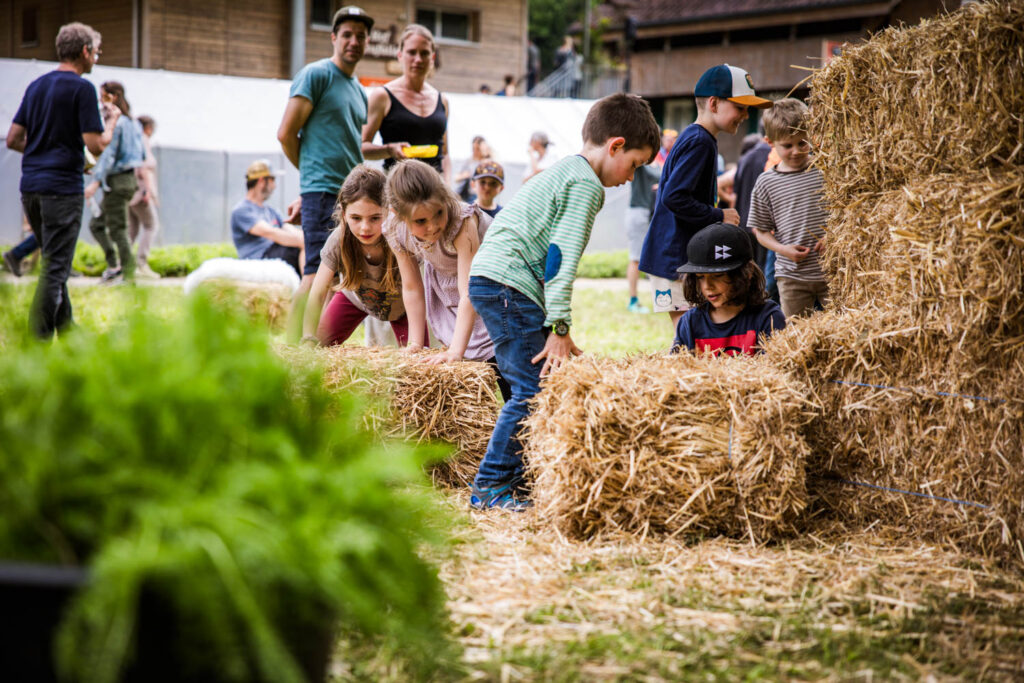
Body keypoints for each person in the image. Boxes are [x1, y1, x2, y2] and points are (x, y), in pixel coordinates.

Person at [467, 93, 660, 510]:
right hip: (508, 283)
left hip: (498, 280)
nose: (631, 178)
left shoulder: (566, 170)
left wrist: (556, 330)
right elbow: (560, 260)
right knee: (532, 389)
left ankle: (515, 480)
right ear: (616, 146)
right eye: (635, 164)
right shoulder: (586, 186)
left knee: (537, 382)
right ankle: (490, 486)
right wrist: (559, 327)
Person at [639, 64, 771, 327]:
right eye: (740, 107)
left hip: (673, 257)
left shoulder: (697, 137)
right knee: (688, 334)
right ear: (713, 103)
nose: (745, 115)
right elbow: (674, 197)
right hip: (674, 261)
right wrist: (719, 214)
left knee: (692, 331)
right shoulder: (699, 142)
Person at [6, 22, 111, 338]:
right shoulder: (82, 88)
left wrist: (43, 151)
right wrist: (112, 123)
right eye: (96, 51)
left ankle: (68, 331)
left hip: (32, 189)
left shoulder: (36, 85)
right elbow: (94, 143)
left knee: (54, 263)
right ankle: (35, 347)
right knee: (54, 269)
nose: (97, 56)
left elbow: (13, 139)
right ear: (84, 51)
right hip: (62, 191)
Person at [382, 160, 510, 394]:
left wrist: (456, 353)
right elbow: (412, 288)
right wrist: (416, 343)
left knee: (506, 366)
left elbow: (470, 291)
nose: (432, 226)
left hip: (499, 285)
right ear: (397, 215)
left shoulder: (462, 220)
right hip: (455, 289)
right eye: (420, 221)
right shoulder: (395, 230)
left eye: (438, 213)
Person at [277, 6, 373, 302]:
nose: (354, 41)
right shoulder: (316, 75)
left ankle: (318, 343)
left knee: (338, 272)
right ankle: (292, 346)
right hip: (322, 192)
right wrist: (310, 180)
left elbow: (349, 145)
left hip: (348, 197)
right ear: (333, 38)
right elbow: (286, 134)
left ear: (367, 42)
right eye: (347, 35)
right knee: (316, 272)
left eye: (360, 36)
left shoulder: (359, 90)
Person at [302, 165, 416, 346]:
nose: (365, 227)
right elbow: (317, 293)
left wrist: (416, 344)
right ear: (344, 213)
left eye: (375, 218)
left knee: (416, 361)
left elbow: (413, 289)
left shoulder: (398, 235)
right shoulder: (338, 239)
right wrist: (308, 336)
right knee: (317, 346)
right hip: (355, 299)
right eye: (356, 218)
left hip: (402, 307)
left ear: (389, 211)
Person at [749, 97, 828, 319]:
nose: (796, 151)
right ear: (770, 142)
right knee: (797, 334)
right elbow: (761, 232)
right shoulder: (766, 182)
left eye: (802, 143)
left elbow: (846, 212)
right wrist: (784, 250)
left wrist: (835, 238)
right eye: (787, 145)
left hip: (832, 272)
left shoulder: (825, 170)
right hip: (791, 275)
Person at [673, 222, 785, 356]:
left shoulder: (768, 317)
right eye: (700, 277)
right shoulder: (690, 322)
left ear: (747, 273)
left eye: (717, 276)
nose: (707, 285)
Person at [362, 24, 451, 182]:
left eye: (424, 53)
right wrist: (389, 149)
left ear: (432, 58)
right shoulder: (382, 96)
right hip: (398, 190)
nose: (418, 59)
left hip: (435, 191)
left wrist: (448, 187)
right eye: (412, 52)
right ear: (400, 55)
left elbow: (445, 153)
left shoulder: (442, 100)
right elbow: (362, 147)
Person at [86, 81, 146, 283]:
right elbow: (142, 154)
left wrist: (95, 182)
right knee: (97, 224)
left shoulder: (117, 124)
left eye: (103, 96)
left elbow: (108, 155)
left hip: (117, 181)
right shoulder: (135, 123)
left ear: (113, 97)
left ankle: (128, 275)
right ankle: (115, 265)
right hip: (128, 180)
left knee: (119, 229)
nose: (100, 102)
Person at [230, 160, 304, 275]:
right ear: (261, 181)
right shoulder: (241, 210)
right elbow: (271, 233)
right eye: (272, 180)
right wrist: (302, 242)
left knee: (310, 248)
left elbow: (290, 229)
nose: (274, 186)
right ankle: (308, 290)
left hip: (277, 253)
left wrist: (308, 240)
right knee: (297, 250)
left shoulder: (271, 211)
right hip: (260, 259)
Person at [128, 114, 161, 279]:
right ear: (148, 128)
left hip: (130, 190)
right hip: (141, 192)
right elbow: (144, 169)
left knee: (132, 229)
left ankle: (123, 264)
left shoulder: (131, 140)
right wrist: (148, 192)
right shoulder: (143, 140)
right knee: (151, 225)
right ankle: (141, 263)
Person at [626, 160, 660, 313]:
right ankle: (633, 300)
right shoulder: (639, 164)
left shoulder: (656, 165)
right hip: (638, 213)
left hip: (648, 212)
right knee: (635, 258)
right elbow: (659, 175)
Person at [454, 135, 491, 202]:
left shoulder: (488, 162)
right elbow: (456, 178)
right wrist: (464, 176)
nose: (475, 152)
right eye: (473, 149)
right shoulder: (468, 161)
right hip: (466, 195)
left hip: (479, 195)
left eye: (478, 149)